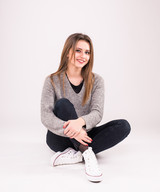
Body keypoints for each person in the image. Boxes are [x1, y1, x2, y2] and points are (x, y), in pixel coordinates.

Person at [40, 33, 131, 182]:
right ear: (68, 52)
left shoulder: (97, 81)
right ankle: (88, 155)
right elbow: (46, 116)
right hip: (60, 137)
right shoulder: (52, 80)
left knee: (124, 126)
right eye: (78, 50)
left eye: (87, 52)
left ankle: (76, 154)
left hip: (87, 134)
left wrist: (79, 123)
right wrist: (75, 132)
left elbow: (97, 113)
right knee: (63, 104)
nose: (83, 55)